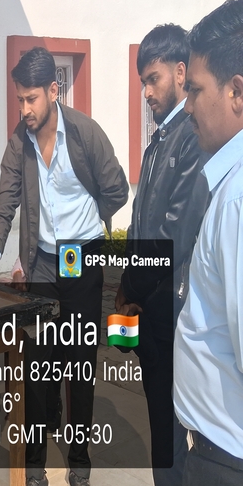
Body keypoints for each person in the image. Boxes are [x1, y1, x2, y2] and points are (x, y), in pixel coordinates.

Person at [0, 47, 129, 486]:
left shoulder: (84, 133)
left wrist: (89, 222)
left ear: (53, 91)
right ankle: (34, 465)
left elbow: (116, 189)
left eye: (31, 99)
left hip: (79, 259)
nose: (24, 109)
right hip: (41, 262)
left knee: (79, 365)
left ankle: (79, 461)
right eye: (19, 99)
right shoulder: (18, 142)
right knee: (36, 366)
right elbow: (6, 200)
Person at [116, 24, 208, 486]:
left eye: (153, 79)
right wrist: (125, 288)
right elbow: (140, 224)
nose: (147, 92)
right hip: (148, 310)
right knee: (160, 425)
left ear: (180, 72)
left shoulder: (190, 135)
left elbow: (174, 231)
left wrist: (131, 287)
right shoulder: (158, 141)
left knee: (173, 436)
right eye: (143, 83)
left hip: (172, 306)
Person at [173, 0, 243, 486]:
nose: (188, 106)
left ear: (236, 91)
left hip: (226, 460)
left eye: (195, 90)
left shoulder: (238, 199)